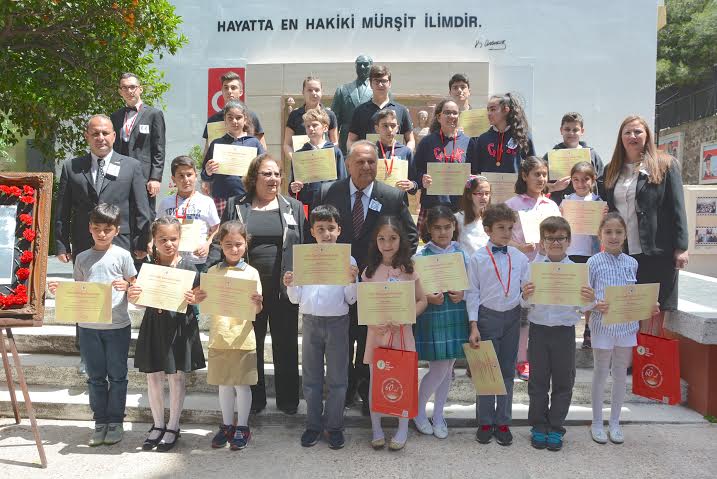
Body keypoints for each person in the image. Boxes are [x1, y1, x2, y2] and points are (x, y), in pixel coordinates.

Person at [317, 140, 418, 414]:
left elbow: (410, 236)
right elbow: (314, 232)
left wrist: (391, 266)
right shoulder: (329, 192)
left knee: (368, 339)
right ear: (348, 164)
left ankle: (367, 391)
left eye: (371, 161)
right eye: (360, 162)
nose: (366, 166)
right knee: (342, 340)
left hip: (378, 284)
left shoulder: (392, 197)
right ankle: (344, 389)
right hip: (339, 284)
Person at [208, 153, 307, 415]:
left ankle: (288, 400)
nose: (273, 178)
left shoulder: (293, 207)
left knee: (286, 344)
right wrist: (207, 276)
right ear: (254, 177)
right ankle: (255, 400)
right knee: (251, 345)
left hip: (284, 289)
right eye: (267, 173)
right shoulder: (236, 205)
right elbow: (221, 242)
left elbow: (304, 246)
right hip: (247, 291)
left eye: (277, 174)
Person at [47, 204, 136, 447]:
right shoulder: (83, 258)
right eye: (97, 228)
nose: (102, 234)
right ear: (89, 228)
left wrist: (128, 286)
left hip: (117, 326)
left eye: (107, 229)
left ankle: (115, 422)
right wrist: (60, 291)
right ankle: (100, 422)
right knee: (95, 377)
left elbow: (136, 288)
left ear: (117, 230)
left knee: (117, 376)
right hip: (88, 328)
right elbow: (79, 290)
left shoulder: (123, 256)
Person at [602, 115, 688, 335]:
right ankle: (630, 352)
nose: (633, 136)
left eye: (638, 132)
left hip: (656, 251)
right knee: (628, 307)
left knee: (655, 310)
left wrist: (681, 247)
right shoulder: (611, 169)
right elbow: (607, 206)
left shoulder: (665, 164)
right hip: (623, 252)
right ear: (621, 138)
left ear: (647, 135)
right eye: (628, 132)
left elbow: (677, 207)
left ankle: (650, 353)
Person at [283, 205, 359, 450]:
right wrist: (290, 284)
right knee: (311, 378)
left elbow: (351, 299)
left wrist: (352, 280)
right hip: (310, 322)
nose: (326, 234)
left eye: (331, 228)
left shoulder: (348, 259)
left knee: (337, 378)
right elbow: (296, 298)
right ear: (312, 231)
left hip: (338, 323)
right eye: (321, 229)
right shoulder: (304, 258)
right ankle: (313, 424)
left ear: (339, 230)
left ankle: (334, 426)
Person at [128, 216, 206, 452]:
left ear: (180, 238)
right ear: (154, 239)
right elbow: (140, 302)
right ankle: (158, 424)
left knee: (176, 377)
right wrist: (133, 297)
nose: (168, 244)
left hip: (179, 326)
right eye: (163, 239)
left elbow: (200, 297)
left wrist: (196, 298)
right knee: (153, 376)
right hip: (154, 324)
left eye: (173, 238)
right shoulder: (147, 267)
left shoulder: (189, 267)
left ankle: (173, 425)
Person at [520, 216, 595, 451]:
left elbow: (583, 307)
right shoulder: (533, 269)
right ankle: (538, 425)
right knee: (538, 381)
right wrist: (525, 295)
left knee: (564, 381)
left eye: (560, 238)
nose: (555, 242)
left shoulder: (578, 271)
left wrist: (589, 299)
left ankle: (556, 426)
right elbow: (524, 303)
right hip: (539, 330)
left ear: (569, 241)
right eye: (550, 238)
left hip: (564, 331)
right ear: (542, 242)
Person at [587, 213, 658, 445]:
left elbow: (634, 295)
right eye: (608, 232)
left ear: (626, 235)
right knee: (600, 373)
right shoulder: (593, 262)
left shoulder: (632, 263)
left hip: (626, 327)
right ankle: (597, 422)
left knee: (619, 375)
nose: (614, 236)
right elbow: (584, 297)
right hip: (602, 326)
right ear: (600, 234)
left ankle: (615, 422)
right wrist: (594, 304)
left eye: (618, 232)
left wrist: (649, 305)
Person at [466, 204, 529, 447]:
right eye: (501, 228)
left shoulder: (520, 258)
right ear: (487, 229)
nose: (506, 232)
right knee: (485, 371)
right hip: (486, 318)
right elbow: (472, 293)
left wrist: (527, 297)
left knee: (507, 371)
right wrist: (473, 325)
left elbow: (526, 291)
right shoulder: (478, 258)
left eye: (510, 228)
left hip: (512, 317)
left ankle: (503, 421)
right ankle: (484, 421)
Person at [362, 216, 428, 451]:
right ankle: (376, 428)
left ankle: (402, 429)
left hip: (402, 334)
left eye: (392, 238)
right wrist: (373, 323)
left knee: (403, 382)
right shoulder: (369, 272)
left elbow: (422, 300)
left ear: (401, 240)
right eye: (382, 239)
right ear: (375, 241)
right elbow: (364, 306)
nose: (387, 244)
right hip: (376, 336)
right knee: (376, 382)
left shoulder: (409, 269)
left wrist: (407, 316)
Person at [200, 221, 263, 451]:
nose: (234, 249)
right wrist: (201, 298)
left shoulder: (252, 273)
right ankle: (227, 425)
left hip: (242, 337)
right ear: (220, 244)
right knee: (224, 384)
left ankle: (243, 426)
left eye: (238, 244)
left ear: (246, 244)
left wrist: (258, 303)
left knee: (242, 385)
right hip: (220, 335)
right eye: (228, 244)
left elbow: (257, 310)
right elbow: (206, 305)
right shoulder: (212, 272)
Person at [55, 114, 152, 262]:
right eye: (95, 134)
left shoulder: (132, 166)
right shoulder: (72, 167)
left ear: (114, 136)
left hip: (121, 242)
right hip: (84, 243)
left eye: (105, 133)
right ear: (87, 136)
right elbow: (62, 211)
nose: (100, 138)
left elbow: (142, 208)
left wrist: (142, 242)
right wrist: (62, 246)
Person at [412, 206, 468, 440]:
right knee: (438, 368)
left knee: (448, 368)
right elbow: (414, 290)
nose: (443, 232)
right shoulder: (420, 256)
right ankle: (417, 411)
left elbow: (472, 284)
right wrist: (427, 297)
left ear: (454, 227)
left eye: (447, 227)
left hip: (456, 313)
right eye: (437, 228)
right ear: (429, 229)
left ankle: (438, 415)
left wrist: (463, 294)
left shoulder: (462, 253)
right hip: (433, 315)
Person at [505, 156, 561, 381]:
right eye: (536, 174)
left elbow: (561, 235)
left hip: (546, 268)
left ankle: (540, 360)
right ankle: (521, 360)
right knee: (523, 318)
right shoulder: (512, 204)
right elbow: (502, 237)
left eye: (544, 174)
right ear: (524, 176)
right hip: (520, 268)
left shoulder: (551, 206)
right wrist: (520, 246)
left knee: (543, 315)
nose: (541, 179)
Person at [414, 99, 472, 237]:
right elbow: (415, 171)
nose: (451, 116)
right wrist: (422, 179)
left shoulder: (469, 142)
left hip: (460, 208)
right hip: (433, 207)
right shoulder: (427, 142)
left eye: (455, 113)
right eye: (447, 113)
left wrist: (470, 180)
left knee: (459, 247)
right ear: (439, 117)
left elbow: (475, 173)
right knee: (431, 247)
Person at [110, 72, 166, 215]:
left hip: (144, 176)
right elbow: (113, 148)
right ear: (120, 91)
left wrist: (155, 178)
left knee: (144, 215)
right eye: (124, 88)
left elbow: (159, 148)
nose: (129, 91)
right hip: (120, 175)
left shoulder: (154, 114)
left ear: (140, 89)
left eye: (132, 87)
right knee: (120, 215)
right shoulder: (115, 116)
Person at [562, 161, 603, 348]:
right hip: (569, 253)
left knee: (588, 293)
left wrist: (603, 216)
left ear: (593, 180)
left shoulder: (598, 202)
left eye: (585, 179)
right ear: (571, 181)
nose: (580, 183)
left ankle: (588, 329)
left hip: (590, 253)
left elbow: (603, 230)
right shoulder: (566, 201)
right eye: (576, 179)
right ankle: (567, 326)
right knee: (571, 292)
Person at [201, 100, 266, 217]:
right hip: (221, 197)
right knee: (223, 227)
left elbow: (264, 168)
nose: (234, 121)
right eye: (230, 118)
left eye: (238, 117)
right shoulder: (216, 144)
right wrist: (208, 171)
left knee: (246, 227)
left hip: (247, 196)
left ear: (245, 119)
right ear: (225, 120)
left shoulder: (254, 143)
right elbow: (205, 175)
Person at [158, 156, 220, 274]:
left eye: (189, 175)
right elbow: (157, 230)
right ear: (173, 179)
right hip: (172, 260)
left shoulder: (206, 202)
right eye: (181, 176)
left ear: (196, 176)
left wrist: (208, 245)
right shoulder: (165, 203)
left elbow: (217, 229)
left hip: (197, 260)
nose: (186, 179)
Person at [289, 108, 347, 214]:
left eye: (315, 125)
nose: (311, 129)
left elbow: (343, 180)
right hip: (307, 204)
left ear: (325, 128)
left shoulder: (335, 152)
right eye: (308, 126)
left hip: (330, 203)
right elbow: (293, 183)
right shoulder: (300, 154)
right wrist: (293, 188)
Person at [347, 65, 415, 152]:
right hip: (368, 159)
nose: (380, 84)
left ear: (390, 83)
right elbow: (351, 140)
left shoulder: (402, 110)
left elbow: (410, 140)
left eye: (384, 81)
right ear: (371, 84)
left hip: (394, 160)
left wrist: (405, 153)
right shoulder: (360, 111)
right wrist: (357, 154)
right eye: (376, 81)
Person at [542, 112, 605, 204]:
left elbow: (601, 182)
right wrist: (554, 187)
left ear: (582, 131)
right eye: (567, 129)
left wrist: (600, 204)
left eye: (575, 130)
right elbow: (538, 185)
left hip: (588, 207)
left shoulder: (592, 155)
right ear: (561, 130)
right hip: (559, 206)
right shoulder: (551, 156)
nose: (571, 133)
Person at [466, 93, 535, 173]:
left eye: (493, 109)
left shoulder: (522, 137)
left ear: (506, 110)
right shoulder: (482, 139)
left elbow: (532, 167)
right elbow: (475, 170)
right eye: (488, 110)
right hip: (488, 181)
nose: (489, 113)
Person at [203, 71, 266, 152]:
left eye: (233, 88)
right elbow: (207, 149)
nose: (229, 91)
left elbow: (262, 148)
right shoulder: (213, 120)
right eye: (226, 88)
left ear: (241, 92)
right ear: (222, 91)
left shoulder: (251, 116)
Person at [282, 76, 338, 159]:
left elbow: (335, 142)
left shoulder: (330, 115)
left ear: (322, 92)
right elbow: (287, 144)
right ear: (303, 92)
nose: (314, 93)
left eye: (317, 90)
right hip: (302, 162)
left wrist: (330, 158)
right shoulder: (294, 115)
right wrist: (295, 160)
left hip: (324, 162)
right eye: (310, 90)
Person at [331, 55, 374, 154]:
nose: (362, 67)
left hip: (369, 138)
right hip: (346, 140)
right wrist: (335, 142)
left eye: (365, 64)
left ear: (371, 66)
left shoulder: (379, 90)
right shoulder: (342, 90)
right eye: (359, 64)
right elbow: (334, 120)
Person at [372, 108, 416, 193]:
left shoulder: (405, 151)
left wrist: (412, 185)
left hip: (399, 199)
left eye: (393, 126)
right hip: (375, 199)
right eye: (385, 125)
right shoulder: (370, 151)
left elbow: (415, 181)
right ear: (377, 129)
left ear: (397, 128)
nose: (389, 130)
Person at [455, 175, 491, 258]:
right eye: (479, 193)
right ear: (469, 195)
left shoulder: (491, 218)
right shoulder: (458, 218)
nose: (484, 197)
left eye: (487, 193)